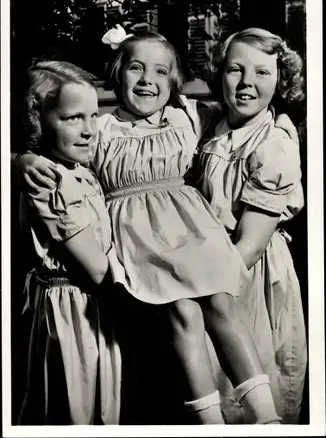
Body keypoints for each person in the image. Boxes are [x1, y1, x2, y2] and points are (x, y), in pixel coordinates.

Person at [17, 28, 290, 425]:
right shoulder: (101, 129)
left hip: (191, 232)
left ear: (175, 80)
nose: (148, 80)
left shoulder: (189, 116)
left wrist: (281, 121)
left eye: (161, 72)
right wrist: (19, 159)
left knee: (221, 303)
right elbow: (51, 145)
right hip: (139, 240)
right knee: (183, 313)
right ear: (116, 72)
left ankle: (267, 417)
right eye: (136, 68)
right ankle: (209, 420)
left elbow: (244, 120)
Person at [194, 27, 307, 424]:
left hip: (243, 275)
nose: (246, 83)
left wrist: (199, 286)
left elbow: (251, 246)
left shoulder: (274, 144)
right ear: (219, 73)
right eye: (235, 70)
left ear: (281, 80)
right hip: (205, 263)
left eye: (262, 72)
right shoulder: (209, 127)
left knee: (242, 380)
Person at [16, 61, 121, 424]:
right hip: (72, 308)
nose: (90, 130)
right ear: (37, 120)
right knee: (76, 403)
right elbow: (94, 268)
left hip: (93, 306)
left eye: (94, 116)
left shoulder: (80, 170)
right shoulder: (50, 179)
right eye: (73, 118)